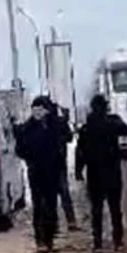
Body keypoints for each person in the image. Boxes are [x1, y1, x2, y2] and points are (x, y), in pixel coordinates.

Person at [75, 94, 127, 253]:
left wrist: (79, 171)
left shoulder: (87, 127)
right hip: (112, 172)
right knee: (115, 209)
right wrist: (114, 118)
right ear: (105, 106)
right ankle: (118, 241)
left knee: (96, 210)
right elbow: (125, 130)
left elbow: (80, 151)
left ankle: (97, 243)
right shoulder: (112, 122)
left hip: (94, 174)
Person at [16, 96, 63, 253]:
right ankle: (40, 240)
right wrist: (31, 158)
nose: (38, 112)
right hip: (36, 172)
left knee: (51, 206)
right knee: (38, 207)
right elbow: (20, 150)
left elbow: (62, 141)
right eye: (35, 109)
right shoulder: (27, 128)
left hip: (52, 171)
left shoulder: (53, 124)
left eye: (41, 109)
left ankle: (49, 240)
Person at [47, 100, 78, 233]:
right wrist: (66, 119)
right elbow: (69, 138)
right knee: (64, 194)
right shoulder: (59, 122)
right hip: (58, 164)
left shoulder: (45, 124)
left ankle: (55, 226)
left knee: (50, 196)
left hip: (49, 165)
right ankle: (70, 222)